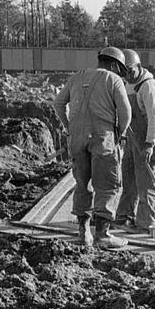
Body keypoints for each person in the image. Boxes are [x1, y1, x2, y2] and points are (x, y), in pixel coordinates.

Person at [53, 47, 132, 249]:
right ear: (115, 65)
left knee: (82, 184)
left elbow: (58, 102)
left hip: (77, 139)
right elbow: (125, 112)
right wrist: (119, 134)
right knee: (108, 184)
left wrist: (68, 127)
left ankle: (83, 233)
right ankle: (103, 235)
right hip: (102, 138)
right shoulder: (113, 80)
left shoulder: (77, 77)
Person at [113, 49, 155, 233]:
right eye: (123, 71)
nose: (127, 75)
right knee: (129, 180)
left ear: (139, 66)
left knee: (147, 184)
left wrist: (150, 144)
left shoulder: (149, 86)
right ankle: (124, 216)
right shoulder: (127, 85)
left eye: (130, 70)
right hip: (133, 139)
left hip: (150, 140)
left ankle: (146, 224)